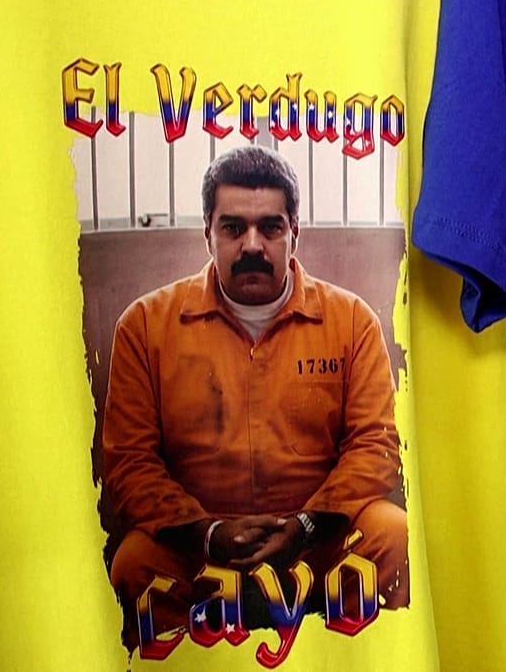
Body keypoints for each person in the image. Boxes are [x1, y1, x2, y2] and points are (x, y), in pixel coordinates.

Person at [102, 145, 407, 647]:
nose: (252, 245)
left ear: (294, 234)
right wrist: (208, 534)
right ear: (207, 233)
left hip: (317, 543)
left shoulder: (352, 321)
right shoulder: (144, 326)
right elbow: (130, 461)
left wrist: (305, 527)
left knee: (392, 534)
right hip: (196, 550)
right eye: (232, 228)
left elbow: (374, 445)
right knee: (134, 562)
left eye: (270, 228)